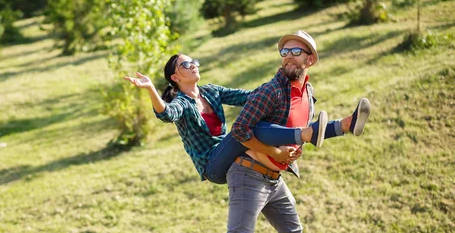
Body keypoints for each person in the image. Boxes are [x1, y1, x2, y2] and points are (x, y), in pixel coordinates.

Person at [219, 30, 371, 233]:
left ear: (310, 60)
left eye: (296, 51)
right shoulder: (268, 91)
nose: (288, 55)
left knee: (292, 231)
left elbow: (303, 132)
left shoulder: (308, 95)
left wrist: (337, 129)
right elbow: (239, 131)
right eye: (284, 51)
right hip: (248, 173)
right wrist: (275, 153)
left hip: (274, 178)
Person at [124, 53, 330, 185]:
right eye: (186, 64)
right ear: (175, 78)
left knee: (255, 118)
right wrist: (150, 88)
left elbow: (249, 97)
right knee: (242, 129)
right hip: (212, 165)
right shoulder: (183, 103)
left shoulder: (212, 91)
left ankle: (334, 128)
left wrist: (281, 82)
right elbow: (166, 114)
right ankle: (306, 134)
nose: (193, 65)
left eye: (194, 61)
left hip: (230, 153)